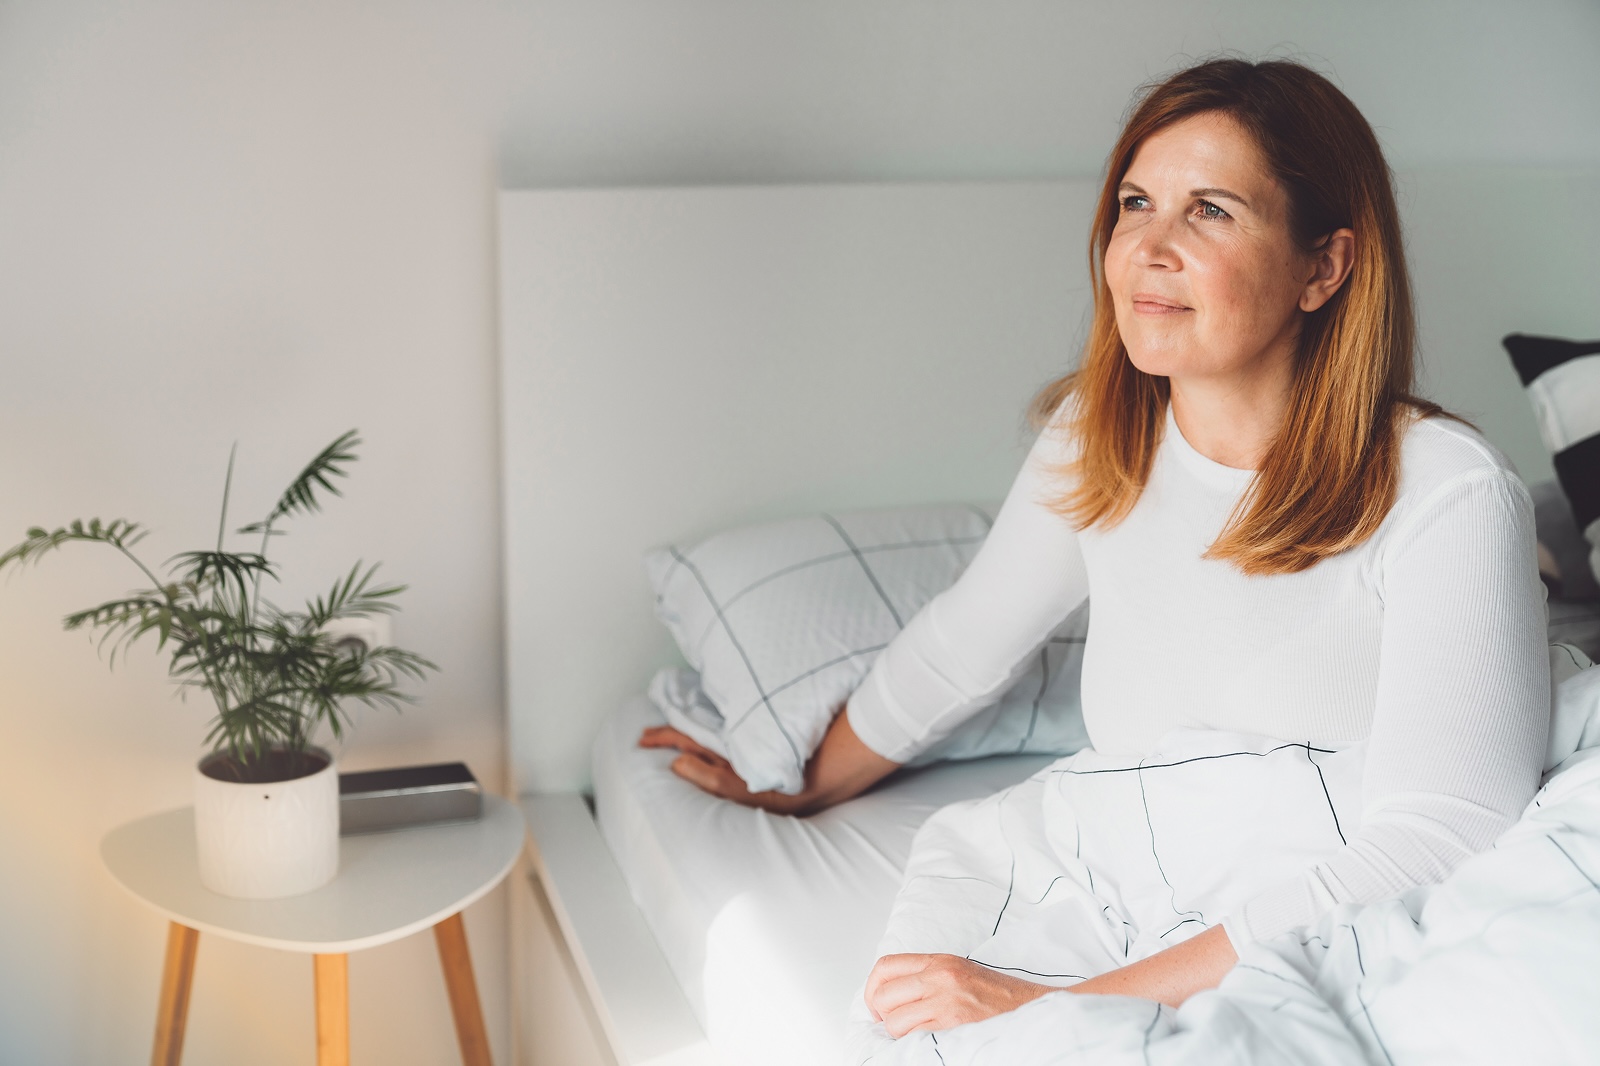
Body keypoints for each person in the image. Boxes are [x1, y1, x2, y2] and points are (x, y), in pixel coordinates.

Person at [640, 57, 1549, 1038]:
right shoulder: (1099, 438)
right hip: (1154, 885)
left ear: (1323, 266)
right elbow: (961, 646)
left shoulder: (1445, 491)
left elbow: (1437, 838)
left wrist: (1063, 1001)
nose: (1147, 248)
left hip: (1348, 918)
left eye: (1209, 211)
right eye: (1134, 202)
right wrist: (803, 778)